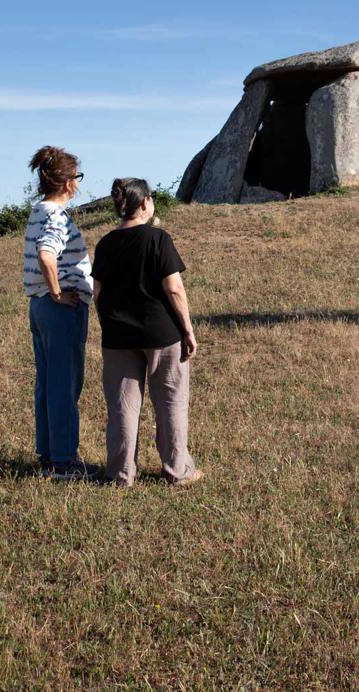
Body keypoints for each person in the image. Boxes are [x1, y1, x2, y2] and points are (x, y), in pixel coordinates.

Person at [91, 178, 202, 487]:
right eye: (151, 198)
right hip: (162, 334)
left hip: (117, 338)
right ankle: (177, 470)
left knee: (123, 407)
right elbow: (174, 289)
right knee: (171, 401)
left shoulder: (105, 243)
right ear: (144, 203)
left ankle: (121, 474)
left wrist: (107, 323)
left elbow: (97, 291)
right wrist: (188, 330)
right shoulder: (158, 239)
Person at [24, 146, 97, 479]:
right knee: (64, 384)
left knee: (48, 382)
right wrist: (58, 292)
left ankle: (49, 455)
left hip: (39, 306)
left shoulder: (38, 210)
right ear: (68, 182)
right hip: (58, 309)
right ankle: (65, 462)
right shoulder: (55, 215)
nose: (78, 184)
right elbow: (46, 254)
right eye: (77, 177)